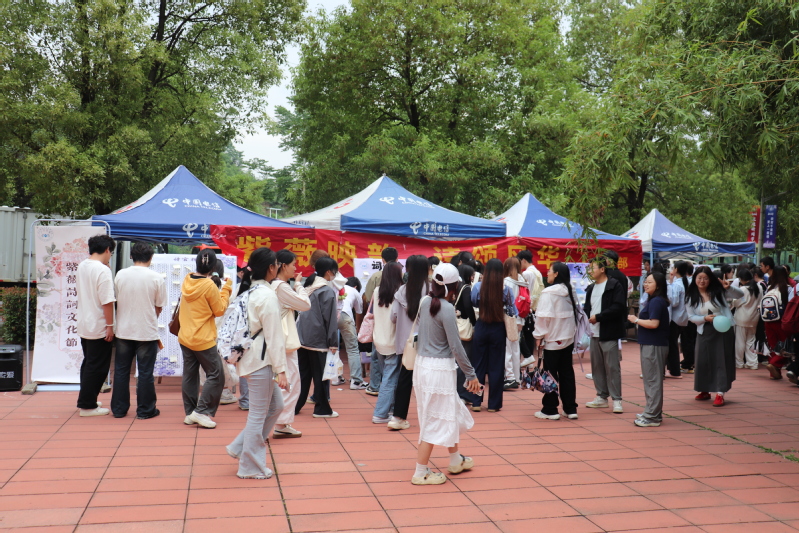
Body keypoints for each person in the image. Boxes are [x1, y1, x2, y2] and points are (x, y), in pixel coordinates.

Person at [411, 263, 481, 485]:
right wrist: (471, 374)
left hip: (423, 366)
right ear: (454, 287)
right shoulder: (447, 308)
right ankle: (420, 472)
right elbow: (456, 346)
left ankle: (455, 459)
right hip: (439, 369)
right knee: (435, 419)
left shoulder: (425, 302)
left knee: (445, 413)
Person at [226, 248, 288, 479]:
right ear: (271, 268)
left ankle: (240, 447)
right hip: (261, 361)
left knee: (275, 406)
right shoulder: (267, 295)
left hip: (252, 359)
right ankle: (250, 466)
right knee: (258, 414)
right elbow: (274, 336)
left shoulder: (249, 291)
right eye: (277, 264)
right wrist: (282, 370)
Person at [111, 242, 167, 419]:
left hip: (123, 329)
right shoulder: (156, 277)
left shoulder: (120, 275)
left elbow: (117, 299)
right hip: (146, 330)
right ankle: (145, 410)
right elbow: (159, 306)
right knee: (145, 372)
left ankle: (119, 409)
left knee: (121, 370)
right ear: (151, 258)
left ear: (131, 256)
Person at [179, 249, 233, 428]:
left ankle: (190, 413)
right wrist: (226, 289)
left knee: (190, 375)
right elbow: (219, 310)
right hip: (203, 338)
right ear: (213, 267)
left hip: (186, 335)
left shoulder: (187, 279)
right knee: (217, 375)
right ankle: (201, 412)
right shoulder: (209, 286)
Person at [686, 266, 744, 407]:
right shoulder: (691, 296)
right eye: (699, 278)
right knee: (702, 360)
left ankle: (720, 392)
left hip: (723, 331)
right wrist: (704, 318)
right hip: (704, 330)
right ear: (694, 279)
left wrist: (729, 287)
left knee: (721, 360)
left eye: (705, 278)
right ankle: (704, 389)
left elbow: (740, 294)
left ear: (710, 279)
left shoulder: (718, 291)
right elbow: (691, 317)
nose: (702, 281)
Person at [269, 249, 312, 439]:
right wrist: (299, 285)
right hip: (284, 342)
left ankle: (280, 422)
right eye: (293, 265)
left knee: (283, 383)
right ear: (284, 266)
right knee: (289, 383)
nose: (296, 268)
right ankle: (280, 423)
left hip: (278, 340)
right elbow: (305, 304)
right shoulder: (281, 287)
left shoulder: (273, 285)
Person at [76, 234, 117, 417]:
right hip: (99, 324)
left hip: (85, 322)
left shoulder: (82, 265)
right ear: (107, 250)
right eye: (111, 253)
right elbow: (107, 301)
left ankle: (88, 399)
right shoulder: (102, 271)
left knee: (89, 363)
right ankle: (87, 406)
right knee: (98, 367)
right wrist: (110, 325)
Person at [532, 262, 579, 420]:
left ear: (556, 273)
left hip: (552, 339)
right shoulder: (570, 290)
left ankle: (550, 408)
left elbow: (542, 317)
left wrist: (538, 336)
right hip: (567, 337)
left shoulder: (549, 292)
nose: (547, 273)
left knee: (550, 374)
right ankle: (570, 408)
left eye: (550, 271)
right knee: (567, 373)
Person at [294, 257, 340, 417]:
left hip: (301, 336)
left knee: (303, 375)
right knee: (321, 376)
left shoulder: (309, 287)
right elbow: (330, 319)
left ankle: (294, 406)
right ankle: (321, 409)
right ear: (328, 272)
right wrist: (333, 342)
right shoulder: (326, 291)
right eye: (335, 271)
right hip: (318, 339)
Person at [389, 255, 430, 430]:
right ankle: (431, 417)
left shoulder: (401, 291)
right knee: (429, 380)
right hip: (428, 342)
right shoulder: (431, 290)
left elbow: (393, 317)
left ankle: (398, 418)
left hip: (407, 343)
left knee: (405, 379)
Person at [470, 258, 514, 412]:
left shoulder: (478, 287)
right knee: (496, 367)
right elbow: (512, 310)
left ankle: (476, 401)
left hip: (482, 326)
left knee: (478, 365)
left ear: (486, 271)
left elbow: (474, 302)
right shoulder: (506, 289)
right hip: (498, 328)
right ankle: (493, 405)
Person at [584, 256, 627, 414]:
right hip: (594, 332)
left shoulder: (614, 285)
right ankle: (601, 397)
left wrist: (599, 317)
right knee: (597, 367)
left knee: (612, 367)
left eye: (592, 268)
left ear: (602, 269)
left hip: (609, 331)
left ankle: (617, 400)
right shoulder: (591, 288)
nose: (589, 271)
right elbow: (587, 307)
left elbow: (618, 307)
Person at [628, 271, 671, 427]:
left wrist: (636, 320)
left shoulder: (656, 302)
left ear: (658, 285)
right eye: (645, 281)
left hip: (654, 345)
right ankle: (652, 412)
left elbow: (654, 323)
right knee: (650, 379)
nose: (646, 284)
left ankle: (652, 416)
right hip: (651, 344)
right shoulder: (654, 300)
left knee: (653, 380)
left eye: (649, 282)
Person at [363, 247, 399, 396]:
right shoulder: (401, 279)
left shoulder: (376, 277)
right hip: (394, 330)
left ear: (382, 260)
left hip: (379, 325)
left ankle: (375, 385)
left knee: (376, 357)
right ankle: (387, 391)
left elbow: (367, 299)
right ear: (397, 259)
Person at [371, 262, 403, 423]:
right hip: (393, 341)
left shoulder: (377, 291)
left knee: (387, 376)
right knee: (390, 379)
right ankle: (380, 413)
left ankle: (390, 408)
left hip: (379, 339)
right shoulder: (400, 292)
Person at [763, 265, 795, 379]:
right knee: (785, 344)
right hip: (781, 321)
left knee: (772, 345)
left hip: (768, 320)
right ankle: (774, 364)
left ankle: (774, 373)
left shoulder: (769, 288)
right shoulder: (788, 288)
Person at [338, 277, 366, 390]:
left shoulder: (338, 287)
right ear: (356, 287)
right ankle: (356, 381)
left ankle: (335, 378)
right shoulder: (354, 291)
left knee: (332, 348)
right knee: (352, 349)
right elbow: (359, 311)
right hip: (345, 316)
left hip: (331, 316)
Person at [454, 263, 477, 404]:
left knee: (457, 360)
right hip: (464, 327)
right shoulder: (466, 288)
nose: (473, 277)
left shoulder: (455, 287)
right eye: (472, 275)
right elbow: (468, 306)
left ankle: (456, 392)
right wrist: (474, 322)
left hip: (455, 325)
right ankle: (462, 394)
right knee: (464, 360)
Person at [502, 257, 526, 390]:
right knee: (516, 349)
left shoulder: (507, 281)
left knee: (507, 348)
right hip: (520, 318)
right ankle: (517, 377)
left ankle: (509, 376)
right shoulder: (523, 281)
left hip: (509, 318)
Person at [731, 269, 761, 370]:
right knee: (751, 341)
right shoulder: (759, 287)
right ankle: (752, 363)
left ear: (741, 279)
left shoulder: (743, 289)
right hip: (754, 318)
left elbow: (736, 303)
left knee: (740, 342)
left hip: (741, 318)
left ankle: (739, 363)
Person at [666, 261, 690, 379]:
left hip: (675, 318)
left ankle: (674, 371)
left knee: (672, 345)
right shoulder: (686, 282)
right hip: (683, 318)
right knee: (675, 344)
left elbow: (674, 302)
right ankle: (673, 369)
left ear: (676, 269)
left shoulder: (677, 284)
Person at [681, 262, 697, 373]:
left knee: (687, 340)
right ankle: (692, 362)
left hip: (687, 315)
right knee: (693, 339)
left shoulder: (683, 281)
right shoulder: (695, 281)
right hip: (696, 314)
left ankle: (688, 363)